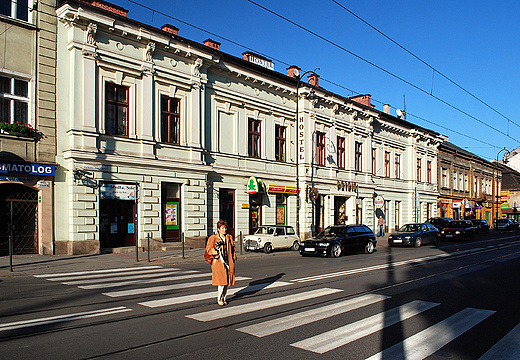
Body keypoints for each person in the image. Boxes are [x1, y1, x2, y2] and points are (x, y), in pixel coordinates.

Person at [206, 220, 236, 306]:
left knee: (227, 282)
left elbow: (233, 247)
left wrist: (234, 256)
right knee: (221, 282)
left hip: (228, 261)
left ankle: (224, 297)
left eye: (225, 228)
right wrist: (215, 250)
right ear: (218, 229)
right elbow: (208, 248)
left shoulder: (229, 237)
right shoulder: (213, 238)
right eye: (222, 228)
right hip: (218, 262)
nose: (224, 230)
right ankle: (219, 298)